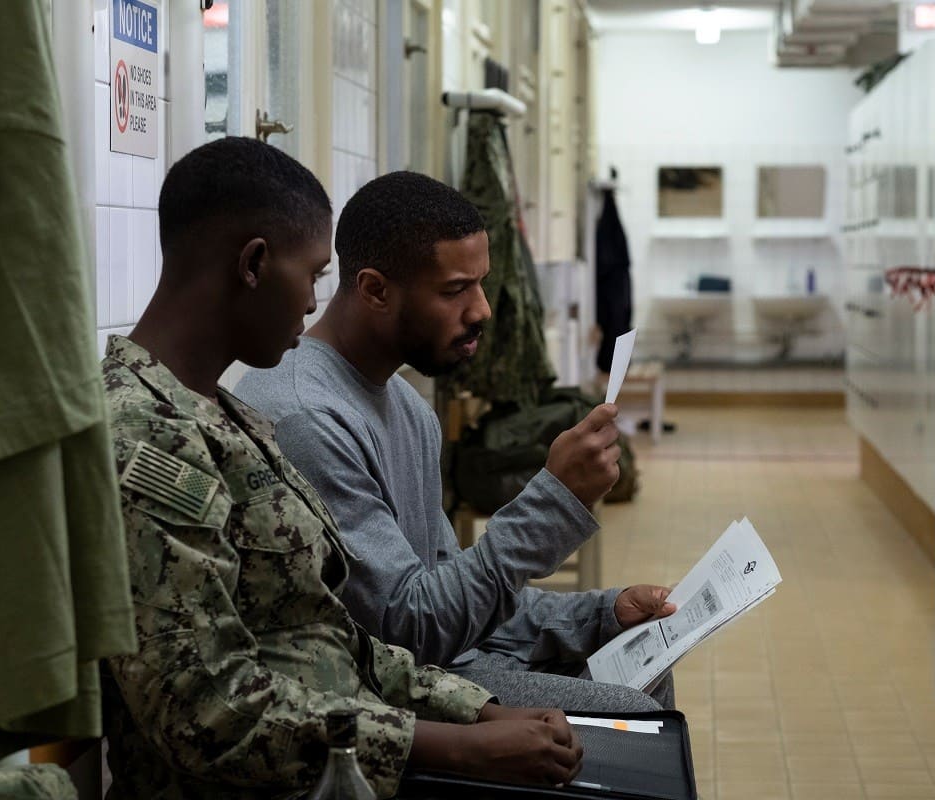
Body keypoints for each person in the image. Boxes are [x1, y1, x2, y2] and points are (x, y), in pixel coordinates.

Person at [100, 138, 584, 799]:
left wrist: (474, 711)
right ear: (253, 264)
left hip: (351, 755)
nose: (312, 303)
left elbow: (332, 636)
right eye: (312, 274)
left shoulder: (226, 416)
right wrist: (458, 747)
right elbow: (208, 714)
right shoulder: (147, 437)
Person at [235, 171, 677, 712]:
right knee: (639, 713)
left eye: (481, 284)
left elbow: (452, 593)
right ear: (375, 290)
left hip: (448, 662)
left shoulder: (408, 408)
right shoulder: (310, 420)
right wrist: (555, 500)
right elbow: (411, 631)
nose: (482, 310)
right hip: (383, 698)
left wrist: (598, 615)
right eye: (454, 291)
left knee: (645, 662)